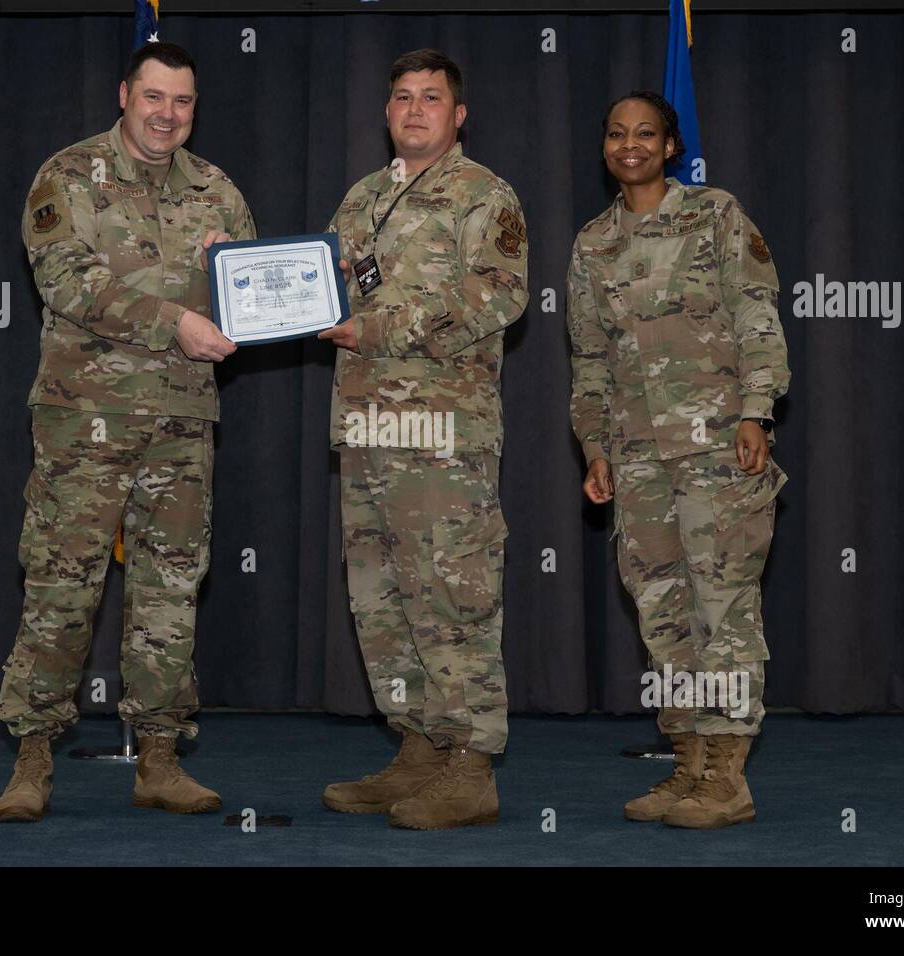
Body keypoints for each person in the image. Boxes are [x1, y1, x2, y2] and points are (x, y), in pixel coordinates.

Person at [0, 42, 255, 823]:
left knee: (170, 592)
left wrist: (231, 271)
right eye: (153, 98)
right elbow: (67, 281)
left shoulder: (219, 191)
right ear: (124, 95)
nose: (167, 115)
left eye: (181, 102)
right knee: (60, 588)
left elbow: (250, 295)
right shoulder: (67, 176)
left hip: (180, 422)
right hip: (84, 422)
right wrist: (175, 318)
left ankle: (161, 759)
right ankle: (33, 757)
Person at [317, 49, 529, 830]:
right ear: (387, 111)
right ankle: (418, 749)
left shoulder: (484, 194)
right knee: (381, 598)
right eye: (402, 96)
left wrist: (373, 326)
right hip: (367, 428)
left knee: (453, 595)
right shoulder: (363, 198)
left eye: (431, 98)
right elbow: (325, 286)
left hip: (442, 431)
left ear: (458, 114)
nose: (414, 109)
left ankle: (470, 766)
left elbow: (500, 295)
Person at [567, 91, 790, 829]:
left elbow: (757, 313)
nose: (628, 145)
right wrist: (594, 446)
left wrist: (757, 411)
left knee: (722, 610)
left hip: (718, 447)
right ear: (604, 146)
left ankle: (728, 778)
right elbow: (590, 358)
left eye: (645, 134)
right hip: (636, 459)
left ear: (669, 145)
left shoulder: (715, 215)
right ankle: (686, 763)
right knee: (662, 614)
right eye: (616, 134)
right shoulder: (592, 243)